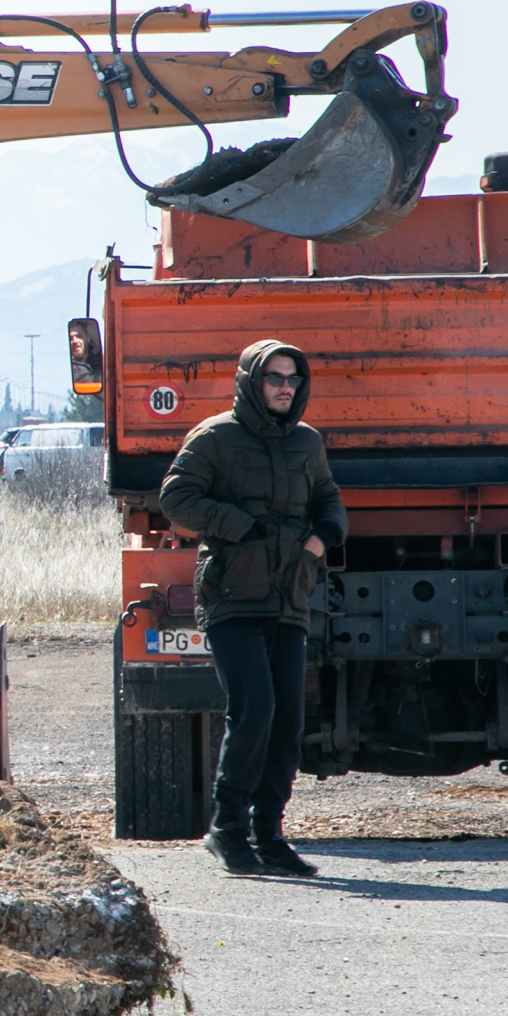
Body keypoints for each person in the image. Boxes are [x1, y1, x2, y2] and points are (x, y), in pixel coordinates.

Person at [158, 339, 345, 877]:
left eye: (293, 380)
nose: (285, 388)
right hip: (232, 597)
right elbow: (176, 497)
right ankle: (227, 830)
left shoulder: (306, 443)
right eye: (275, 378)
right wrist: (241, 526)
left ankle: (270, 835)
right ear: (251, 382)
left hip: (288, 597)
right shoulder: (215, 437)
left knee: (287, 721)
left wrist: (326, 534)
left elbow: (328, 497)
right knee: (255, 709)